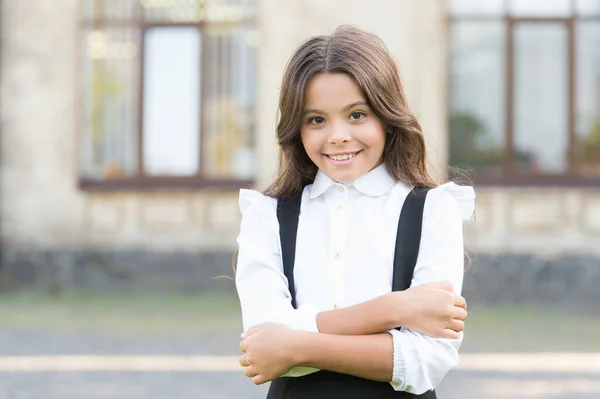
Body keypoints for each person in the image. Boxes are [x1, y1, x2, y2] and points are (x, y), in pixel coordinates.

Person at [235, 25, 475, 398]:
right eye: (316, 120)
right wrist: (395, 308)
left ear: (386, 117)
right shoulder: (266, 215)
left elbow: (424, 360)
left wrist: (295, 346)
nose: (337, 135)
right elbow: (264, 338)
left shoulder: (434, 210)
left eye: (357, 115)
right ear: (296, 129)